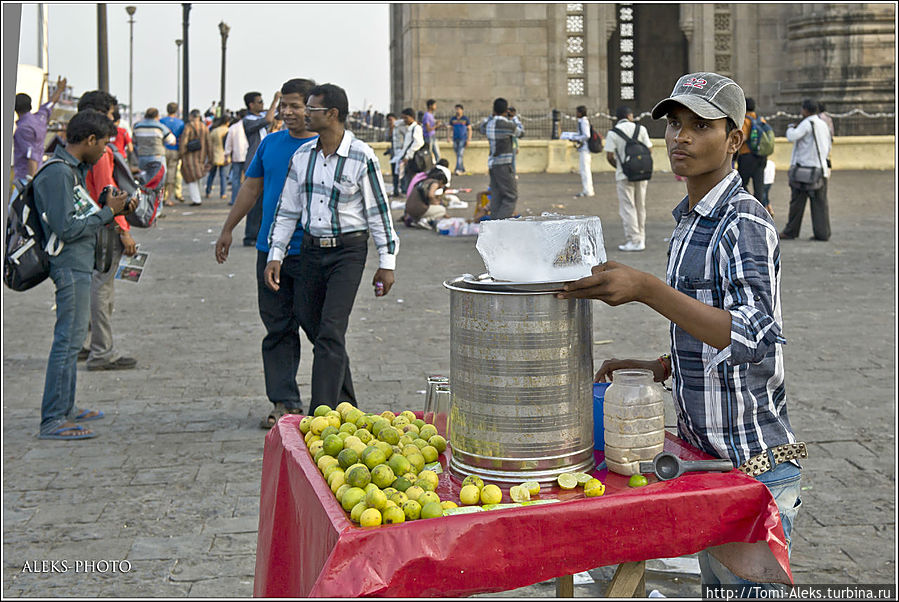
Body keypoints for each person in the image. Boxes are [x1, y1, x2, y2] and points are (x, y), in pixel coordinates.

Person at [559, 72, 802, 592]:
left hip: (752, 467)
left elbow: (752, 335)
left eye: (700, 125)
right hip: (706, 464)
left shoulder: (744, 222)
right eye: (674, 124)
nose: (680, 137)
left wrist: (647, 288)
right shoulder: (691, 220)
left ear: (734, 139)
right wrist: (657, 366)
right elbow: (707, 332)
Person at [216, 78, 354, 428]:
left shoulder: (331, 148)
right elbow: (251, 187)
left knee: (323, 331)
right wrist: (229, 228)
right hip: (270, 252)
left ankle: (340, 402)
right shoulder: (270, 144)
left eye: (296, 106)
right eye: (285, 106)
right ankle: (284, 401)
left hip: (313, 254)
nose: (288, 112)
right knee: (277, 327)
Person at [263, 83, 400, 411]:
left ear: (333, 114)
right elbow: (287, 211)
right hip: (311, 251)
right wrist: (276, 254)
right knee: (312, 322)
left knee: (331, 330)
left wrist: (387, 261)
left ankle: (320, 413)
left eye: (312, 109)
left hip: (348, 253)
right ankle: (347, 404)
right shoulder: (303, 157)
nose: (305, 114)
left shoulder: (361, 156)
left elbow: (378, 212)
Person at [32, 109, 136, 439]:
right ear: (90, 140)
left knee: (74, 339)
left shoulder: (72, 170)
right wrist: (108, 212)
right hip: (69, 266)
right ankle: (53, 418)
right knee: (67, 342)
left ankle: (66, 407)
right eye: (104, 143)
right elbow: (66, 227)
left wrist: (110, 208)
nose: (105, 150)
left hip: (79, 264)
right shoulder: (57, 174)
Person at [76, 90, 139, 372]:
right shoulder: (100, 152)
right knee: (102, 289)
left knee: (89, 287)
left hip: (85, 224)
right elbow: (107, 193)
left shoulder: (73, 146)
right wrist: (124, 230)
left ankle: (82, 343)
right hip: (104, 226)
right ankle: (101, 351)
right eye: (112, 113)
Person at [780, 99, 832, 241]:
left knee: (797, 202)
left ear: (806, 110)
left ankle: (791, 231)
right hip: (820, 168)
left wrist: (791, 127)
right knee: (820, 203)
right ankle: (823, 233)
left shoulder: (807, 123)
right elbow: (828, 146)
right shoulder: (823, 124)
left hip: (804, 169)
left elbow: (792, 137)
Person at [604, 105, 653, 251]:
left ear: (618, 118)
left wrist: (620, 166)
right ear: (630, 116)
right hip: (642, 172)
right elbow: (649, 149)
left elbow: (609, 156)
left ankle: (634, 240)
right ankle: (641, 239)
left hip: (624, 174)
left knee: (628, 207)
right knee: (640, 206)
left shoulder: (613, 133)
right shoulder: (641, 129)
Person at [242, 91, 282, 246]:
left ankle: (260, 232)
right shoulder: (248, 120)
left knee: (265, 200)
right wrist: (275, 99)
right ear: (251, 105)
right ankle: (250, 235)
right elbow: (269, 118)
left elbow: (275, 116)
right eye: (259, 102)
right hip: (254, 162)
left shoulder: (258, 118)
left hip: (265, 161)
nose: (262, 104)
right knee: (254, 202)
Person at [13, 75, 67, 180]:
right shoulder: (40, 118)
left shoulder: (23, 129)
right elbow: (51, 103)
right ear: (30, 105)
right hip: (38, 171)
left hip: (25, 177)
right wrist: (59, 89)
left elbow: (31, 156)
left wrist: (31, 184)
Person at [478, 97, 523, 221]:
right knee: (511, 196)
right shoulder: (508, 125)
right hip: (504, 165)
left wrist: (492, 116)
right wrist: (514, 117)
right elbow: (521, 132)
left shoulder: (489, 124)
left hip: (493, 164)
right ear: (506, 110)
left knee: (496, 196)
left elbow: (481, 128)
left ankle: (493, 227)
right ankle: (499, 226)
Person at [737, 98, 771, 215]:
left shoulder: (745, 120)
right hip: (761, 156)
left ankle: (750, 204)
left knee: (741, 184)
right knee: (759, 186)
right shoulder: (761, 119)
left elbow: (743, 137)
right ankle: (760, 211)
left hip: (747, 156)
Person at [132, 107, 174, 186]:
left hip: (142, 157)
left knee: (143, 181)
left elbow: (133, 141)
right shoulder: (160, 127)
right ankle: (155, 197)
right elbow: (172, 141)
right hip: (157, 157)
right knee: (158, 182)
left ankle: (144, 197)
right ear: (157, 116)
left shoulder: (137, 126)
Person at [179, 109, 212, 206]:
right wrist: (210, 157)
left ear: (191, 116)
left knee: (191, 177)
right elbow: (209, 142)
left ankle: (196, 199)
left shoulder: (188, 127)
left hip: (190, 156)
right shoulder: (204, 127)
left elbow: (184, 141)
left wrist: (181, 152)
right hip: (201, 155)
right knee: (198, 175)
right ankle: (198, 197)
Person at [403, 164, 451, 229]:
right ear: (441, 181)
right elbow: (430, 195)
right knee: (442, 210)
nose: (442, 187)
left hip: (409, 209)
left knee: (436, 209)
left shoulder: (424, 181)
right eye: (443, 185)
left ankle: (416, 221)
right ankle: (424, 220)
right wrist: (436, 203)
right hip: (418, 209)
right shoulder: (435, 183)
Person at [160, 102, 185, 205]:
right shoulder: (180, 123)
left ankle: (161, 197)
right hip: (174, 150)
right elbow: (182, 138)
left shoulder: (161, 121)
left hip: (162, 150)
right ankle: (168, 198)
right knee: (171, 174)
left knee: (162, 174)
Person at [224, 109, 249, 206]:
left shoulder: (233, 127)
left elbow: (228, 143)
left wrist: (227, 154)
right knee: (248, 179)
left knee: (236, 179)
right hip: (249, 155)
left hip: (237, 156)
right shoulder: (252, 126)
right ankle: (246, 199)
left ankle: (234, 199)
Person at [398, 107, 425, 196]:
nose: (404, 120)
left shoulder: (416, 128)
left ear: (411, 117)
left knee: (413, 179)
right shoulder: (410, 129)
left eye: (406, 118)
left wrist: (408, 155)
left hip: (414, 157)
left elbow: (418, 143)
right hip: (409, 157)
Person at [572, 105, 595, 198]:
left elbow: (586, 135)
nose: (576, 114)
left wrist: (576, 138)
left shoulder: (584, 122)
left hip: (585, 148)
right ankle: (587, 189)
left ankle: (588, 190)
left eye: (577, 112)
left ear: (580, 113)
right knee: (584, 170)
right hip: (583, 148)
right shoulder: (581, 121)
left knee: (585, 170)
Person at [206, 116, 230, 200]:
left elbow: (209, 142)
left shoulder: (215, 131)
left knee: (211, 174)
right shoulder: (228, 131)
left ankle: (208, 191)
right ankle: (223, 193)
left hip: (215, 155)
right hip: (225, 156)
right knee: (223, 176)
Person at [386, 112, 406, 198]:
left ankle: (404, 190)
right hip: (393, 154)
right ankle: (396, 191)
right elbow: (387, 139)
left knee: (402, 172)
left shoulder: (400, 128)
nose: (390, 122)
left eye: (391, 120)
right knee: (394, 173)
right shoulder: (389, 130)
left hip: (401, 153)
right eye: (388, 121)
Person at [448, 104, 471, 176]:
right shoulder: (453, 119)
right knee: (458, 154)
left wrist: (468, 139)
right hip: (455, 138)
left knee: (460, 154)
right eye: (456, 109)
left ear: (462, 110)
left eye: (458, 109)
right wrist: (448, 137)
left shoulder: (465, 119)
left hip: (463, 138)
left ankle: (458, 169)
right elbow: (449, 128)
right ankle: (462, 168)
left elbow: (469, 129)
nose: (457, 111)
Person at [422, 98, 440, 162]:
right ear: (430, 106)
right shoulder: (427, 115)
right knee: (429, 153)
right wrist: (436, 126)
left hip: (433, 136)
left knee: (437, 154)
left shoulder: (431, 115)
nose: (435, 107)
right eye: (434, 105)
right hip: (428, 137)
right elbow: (428, 128)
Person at [507, 106, 522, 178]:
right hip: (508, 143)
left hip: (512, 144)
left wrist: (517, 146)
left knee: (512, 161)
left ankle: (513, 174)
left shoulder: (515, 120)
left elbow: (518, 134)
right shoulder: (506, 120)